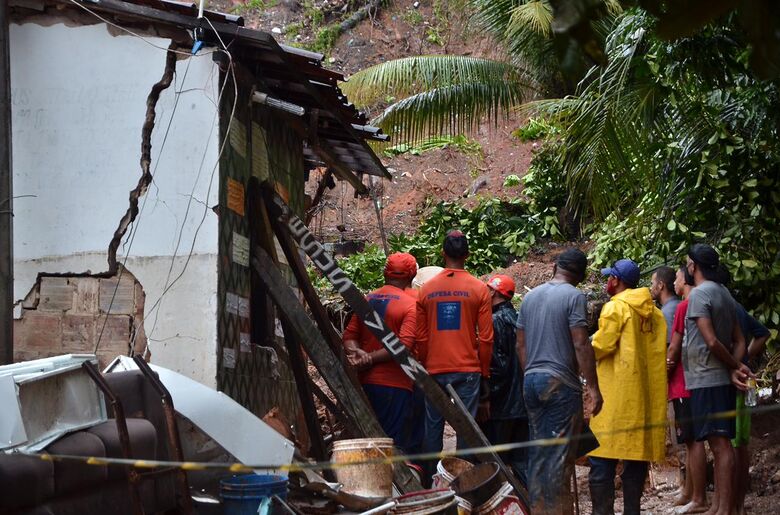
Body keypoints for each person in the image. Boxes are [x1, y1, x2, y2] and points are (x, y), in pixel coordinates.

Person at [516, 248, 603, 514]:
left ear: (556, 267)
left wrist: (531, 372)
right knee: (558, 457)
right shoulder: (574, 296)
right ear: (580, 274)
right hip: (559, 383)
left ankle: (540, 510)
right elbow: (580, 342)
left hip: (531, 381)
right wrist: (593, 388)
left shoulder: (531, 298)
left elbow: (520, 344)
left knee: (539, 453)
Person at [588, 259, 667, 515]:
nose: (607, 282)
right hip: (643, 400)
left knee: (602, 461)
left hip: (615, 397)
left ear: (616, 281)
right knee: (635, 461)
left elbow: (602, 346)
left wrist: (580, 348)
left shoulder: (615, 308)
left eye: (609, 278)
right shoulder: (655, 314)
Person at [417, 230, 493, 477]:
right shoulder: (479, 289)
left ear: (442, 253)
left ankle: (430, 482)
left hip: (434, 369)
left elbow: (421, 337)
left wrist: (427, 363)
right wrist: (484, 372)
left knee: (431, 428)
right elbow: (486, 338)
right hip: (467, 370)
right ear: (467, 255)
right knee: (466, 428)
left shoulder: (427, 289)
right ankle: (463, 480)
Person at [683, 244, 750, 515]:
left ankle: (724, 510)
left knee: (720, 446)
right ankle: (722, 506)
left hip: (706, 379)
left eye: (688, 263)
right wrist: (733, 367)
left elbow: (710, 340)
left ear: (694, 267)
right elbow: (740, 339)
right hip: (718, 378)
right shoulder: (724, 292)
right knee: (720, 443)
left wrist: (732, 366)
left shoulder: (699, 295)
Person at [343, 252, 418, 451]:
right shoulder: (411, 305)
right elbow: (403, 347)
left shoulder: (367, 299)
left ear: (385, 274)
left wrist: (359, 353)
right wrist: (370, 358)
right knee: (390, 447)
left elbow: (349, 336)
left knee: (363, 444)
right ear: (411, 276)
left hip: (363, 383)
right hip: (395, 385)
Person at [715, 266, 770, 515]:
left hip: (735, 381)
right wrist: (745, 359)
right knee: (740, 443)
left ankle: (735, 506)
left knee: (734, 444)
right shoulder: (734, 304)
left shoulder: (726, 306)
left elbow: (761, 335)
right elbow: (762, 333)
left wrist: (738, 362)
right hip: (742, 379)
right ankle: (735, 504)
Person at [667, 266, 707, 513]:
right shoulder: (700, 302)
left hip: (683, 381)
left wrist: (664, 373)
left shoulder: (684, 306)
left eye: (678, 276)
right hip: (694, 379)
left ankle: (697, 497)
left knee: (694, 442)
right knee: (692, 440)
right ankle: (689, 491)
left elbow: (674, 349)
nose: (675, 281)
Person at [481, 274, 528, 483]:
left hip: (503, 405)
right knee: (521, 460)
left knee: (495, 460)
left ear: (494, 292)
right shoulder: (518, 319)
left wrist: (486, 396)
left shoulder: (494, 321)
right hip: (522, 401)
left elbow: (497, 365)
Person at [650, 265, 681, 342]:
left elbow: (670, 345)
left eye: (652, 283)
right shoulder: (678, 304)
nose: (650, 288)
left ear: (660, 285)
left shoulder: (666, 313)